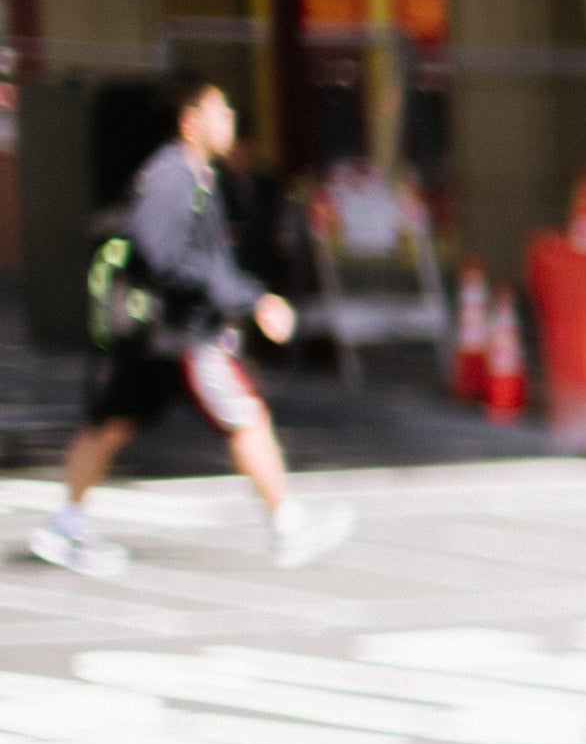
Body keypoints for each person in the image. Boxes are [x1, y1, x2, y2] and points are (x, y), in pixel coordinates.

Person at [29, 77, 351, 579]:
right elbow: (161, 252)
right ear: (190, 121)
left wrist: (246, 296)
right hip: (183, 334)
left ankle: (66, 523)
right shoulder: (174, 176)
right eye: (220, 112)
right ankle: (287, 525)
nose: (230, 124)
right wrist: (249, 299)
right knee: (245, 414)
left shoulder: (196, 176)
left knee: (112, 423)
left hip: (167, 335)